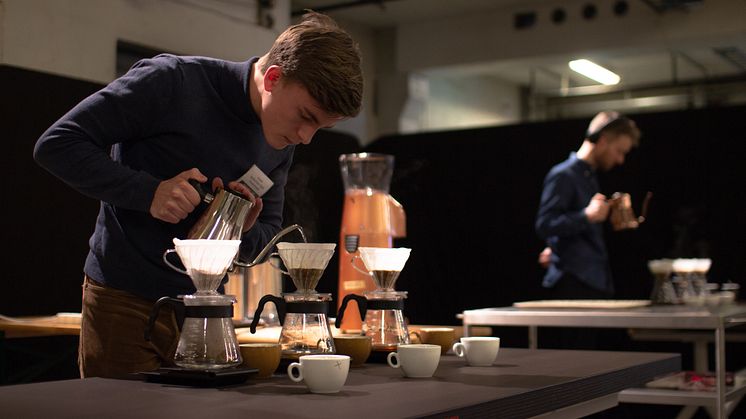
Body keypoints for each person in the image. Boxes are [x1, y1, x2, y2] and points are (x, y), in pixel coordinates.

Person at [33, 11, 363, 378]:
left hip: (206, 314)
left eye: (320, 127)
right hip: (123, 301)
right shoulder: (173, 82)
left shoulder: (280, 137)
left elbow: (268, 233)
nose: (306, 137)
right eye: (306, 117)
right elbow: (57, 144)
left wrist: (240, 229)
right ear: (273, 78)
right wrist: (151, 192)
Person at [535, 111, 641, 300]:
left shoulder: (589, 177)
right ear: (602, 141)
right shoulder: (564, 175)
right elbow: (545, 224)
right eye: (619, 151)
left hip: (594, 281)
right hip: (574, 284)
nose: (620, 160)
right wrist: (586, 216)